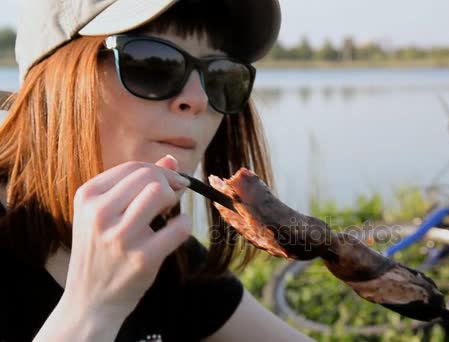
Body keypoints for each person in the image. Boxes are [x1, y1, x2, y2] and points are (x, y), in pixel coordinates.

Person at [0, 0, 314, 341]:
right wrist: (92, 309)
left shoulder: (161, 254)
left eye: (221, 74)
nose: (197, 98)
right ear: (51, 83)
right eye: (152, 63)